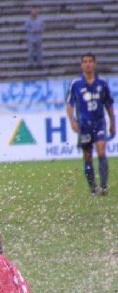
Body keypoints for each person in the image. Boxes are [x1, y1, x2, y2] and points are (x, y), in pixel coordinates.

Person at [66, 53, 116, 196]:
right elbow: (69, 105)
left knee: (101, 151)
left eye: (90, 61)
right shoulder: (76, 84)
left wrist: (113, 123)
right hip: (84, 125)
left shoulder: (102, 84)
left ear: (95, 64)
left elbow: (109, 105)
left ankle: (104, 186)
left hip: (100, 123)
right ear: (81, 65)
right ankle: (93, 187)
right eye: (85, 61)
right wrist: (72, 121)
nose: (88, 64)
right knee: (87, 156)